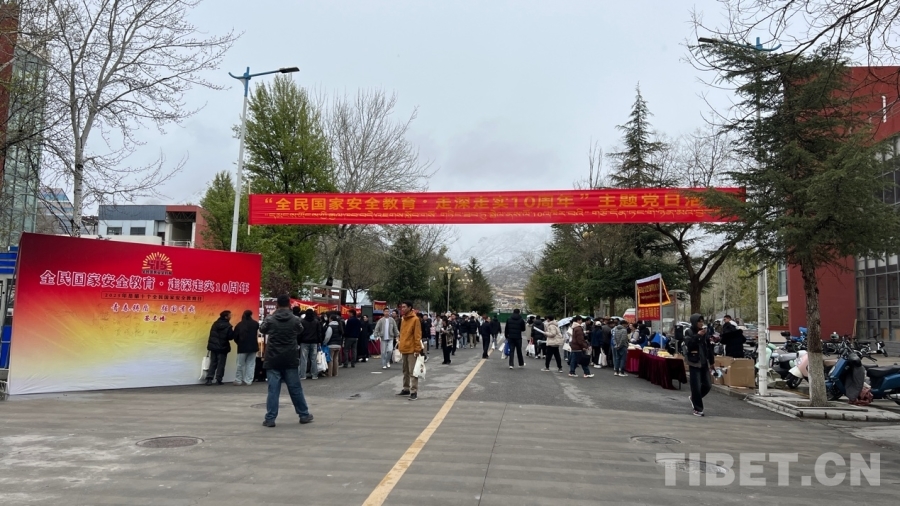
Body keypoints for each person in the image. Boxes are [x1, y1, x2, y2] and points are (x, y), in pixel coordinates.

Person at [259, 294, 313, 427]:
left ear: (277, 304)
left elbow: (262, 329)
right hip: (290, 357)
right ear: (289, 304)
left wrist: (270, 315)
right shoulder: (295, 319)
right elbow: (300, 330)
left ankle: (270, 418)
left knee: (273, 390)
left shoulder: (271, 319)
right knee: (295, 389)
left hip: (273, 358)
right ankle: (304, 414)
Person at [684, 313, 714, 416]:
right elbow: (689, 344)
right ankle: (697, 409)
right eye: (699, 321)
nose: (701, 323)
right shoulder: (689, 332)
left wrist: (712, 362)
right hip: (694, 362)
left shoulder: (705, 332)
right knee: (696, 386)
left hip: (704, 362)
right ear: (694, 322)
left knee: (707, 385)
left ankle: (694, 398)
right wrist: (698, 336)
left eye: (702, 321)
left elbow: (709, 347)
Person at [396, 301, 423, 400]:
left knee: (413, 371)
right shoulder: (403, 319)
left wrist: (417, 349)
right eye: (401, 307)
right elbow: (402, 333)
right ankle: (406, 388)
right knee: (405, 370)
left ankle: (414, 391)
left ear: (410, 307)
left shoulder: (415, 319)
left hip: (412, 349)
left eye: (404, 307)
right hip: (404, 348)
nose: (402, 309)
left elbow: (417, 336)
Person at [205, 310, 234, 385]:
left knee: (213, 363)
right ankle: (218, 379)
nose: (231, 316)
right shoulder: (228, 326)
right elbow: (230, 337)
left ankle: (209, 378)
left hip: (214, 347)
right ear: (226, 317)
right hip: (223, 347)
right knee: (221, 364)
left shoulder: (215, 324)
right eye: (230, 315)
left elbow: (212, 335)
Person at [233, 309, 259, 386]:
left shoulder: (239, 325)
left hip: (242, 347)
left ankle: (238, 380)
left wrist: (239, 343)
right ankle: (248, 380)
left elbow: (235, 337)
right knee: (251, 364)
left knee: (240, 364)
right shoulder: (255, 324)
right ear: (251, 315)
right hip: (253, 346)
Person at [298, 309, 321, 380]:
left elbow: (300, 333)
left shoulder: (302, 322)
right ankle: (314, 375)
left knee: (303, 359)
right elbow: (319, 332)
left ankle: (303, 375)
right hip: (314, 342)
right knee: (313, 359)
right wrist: (319, 341)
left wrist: (299, 341)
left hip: (304, 342)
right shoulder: (316, 322)